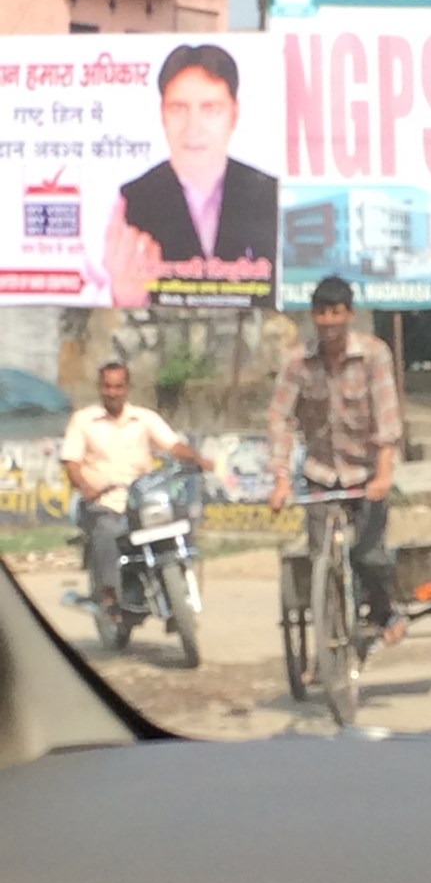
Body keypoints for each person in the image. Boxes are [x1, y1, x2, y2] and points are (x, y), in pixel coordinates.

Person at [268, 275, 407, 650]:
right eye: (321, 313)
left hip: (365, 474)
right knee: (320, 562)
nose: (328, 321)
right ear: (313, 316)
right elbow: (281, 418)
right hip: (321, 473)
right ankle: (327, 652)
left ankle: (382, 611)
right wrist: (281, 479)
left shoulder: (374, 354)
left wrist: (384, 473)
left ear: (349, 314)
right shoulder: (298, 362)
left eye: (336, 312)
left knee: (370, 555)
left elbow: (387, 419)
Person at [103, 43, 278, 309]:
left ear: (234, 114)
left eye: (210, 110)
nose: (193, 128)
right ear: (162, 114)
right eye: (179, 109)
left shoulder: (267, 192)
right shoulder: (135, 199)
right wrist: (126, 296)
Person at [61, 361, 213, 616]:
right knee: (107, 530)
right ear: (100, 388)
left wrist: (197, 459)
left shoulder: (144, 418)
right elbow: (71, 462)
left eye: (118, 386)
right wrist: (86, 487)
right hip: (104, 502)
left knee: (179, 519)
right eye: (107, 386)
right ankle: (109, 597)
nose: (113, 392)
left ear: (127, 388)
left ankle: (180, 577)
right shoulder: (83, 420)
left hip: (141, 500)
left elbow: (172, 445)